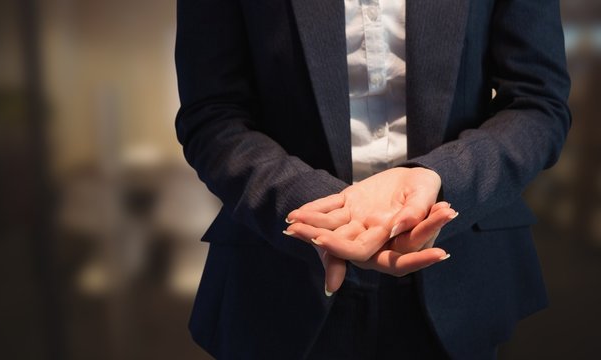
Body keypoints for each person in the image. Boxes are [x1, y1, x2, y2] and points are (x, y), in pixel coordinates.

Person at [174, 0, 570, 359]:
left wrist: (439, 178)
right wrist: (323, 208)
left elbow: (537, 104)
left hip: (460, 274)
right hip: (277, 282)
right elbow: (213, 115)